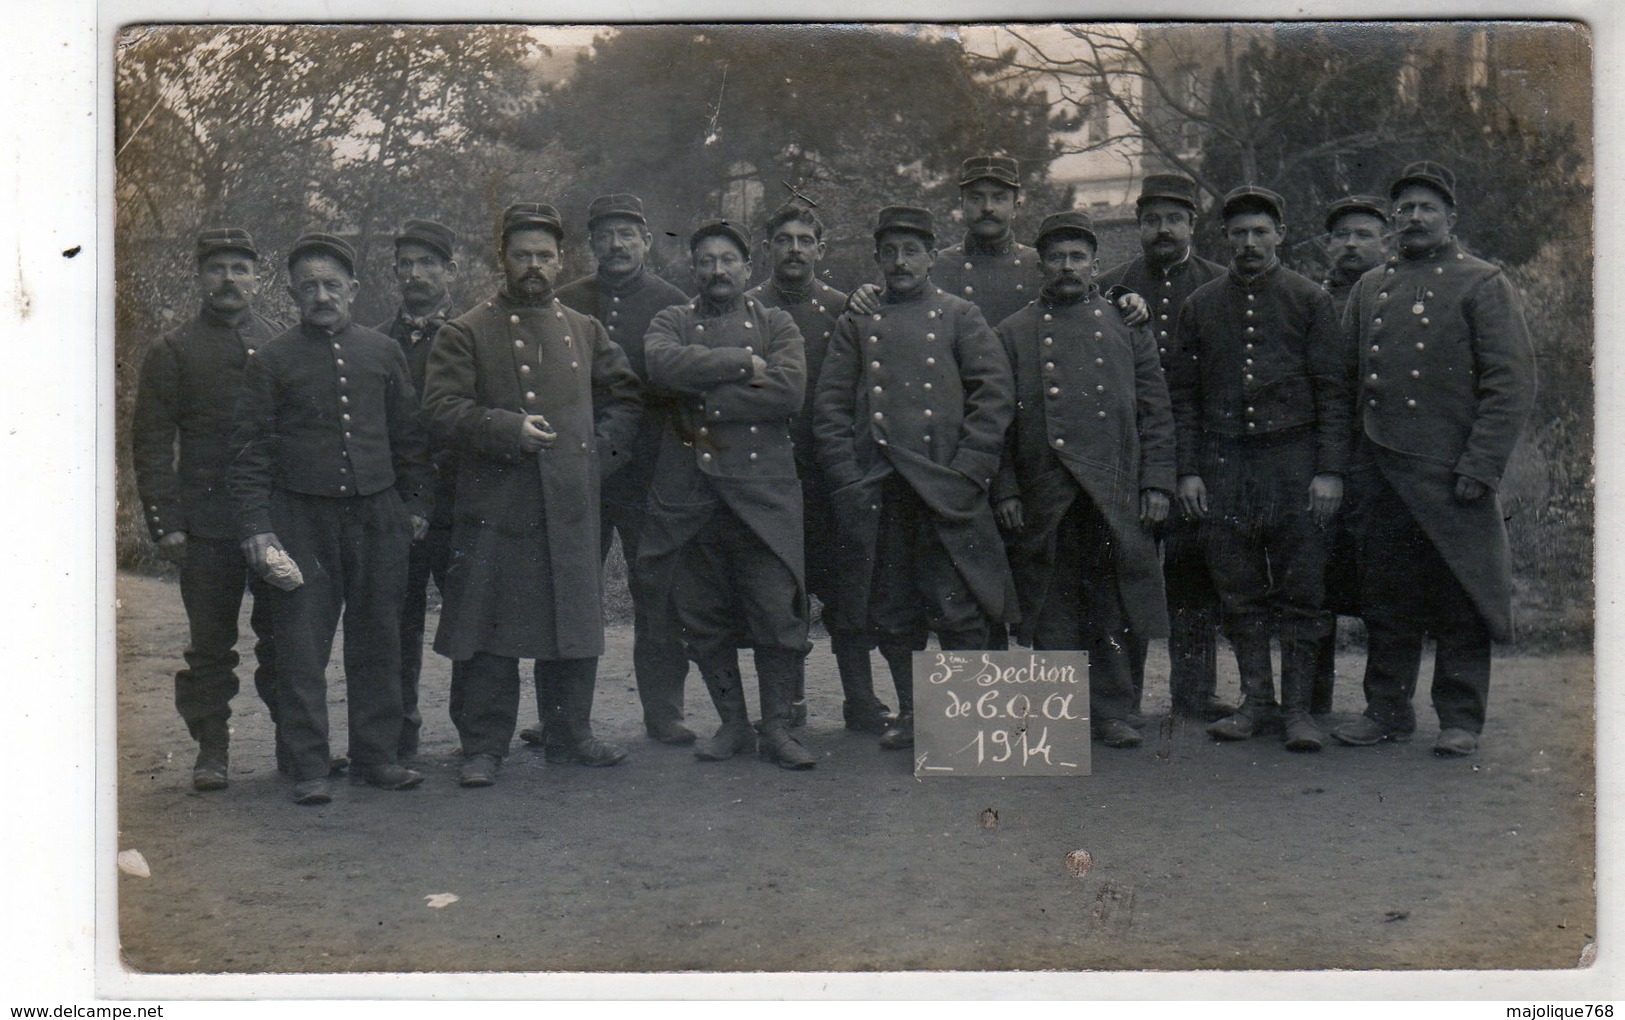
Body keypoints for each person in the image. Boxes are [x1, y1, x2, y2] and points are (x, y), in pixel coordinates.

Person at [422, 203, 642, 788]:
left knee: (570, 619)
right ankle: (483, 746)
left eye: (545, 256)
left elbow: (626, 400)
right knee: (489, 628)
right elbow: (442, 409)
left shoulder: (585, 330)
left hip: (569, 502)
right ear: (503, 258)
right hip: (495, 505)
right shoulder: (465, 331)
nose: (535, 267)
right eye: (522, 255)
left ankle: (572, 735)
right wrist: (504, 428)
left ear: (561, 259)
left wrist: (597, 456)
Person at [1330, 162, 1536, 757]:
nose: (1414, 218)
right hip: (1381, 472)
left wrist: (1481, 465)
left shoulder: (1483, 282)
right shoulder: (1373, 286)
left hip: (1452, 475)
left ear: (1451, 217)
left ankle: (1461, 718)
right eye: (1405, 209)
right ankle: (1386, 711)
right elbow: (1346, 385)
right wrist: (1347, 467)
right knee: (1386, 600)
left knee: (1460, 599)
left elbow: (1510, 384)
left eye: (1426, 207)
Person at [229, 231, 433, 804]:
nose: (322, 295)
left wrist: (415, 507)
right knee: (299, 646)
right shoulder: (272, 360)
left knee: (380, 641)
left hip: (377, 517)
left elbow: (409, 439)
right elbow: (250, 454)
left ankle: (377, 757)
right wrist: (257, 527)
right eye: (309, 286)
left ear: (354, 289)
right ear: (293, 293)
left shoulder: (382, 351)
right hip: (300, 520)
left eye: (332, 284)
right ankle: (308, 764)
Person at [814, 205, 1017, 752]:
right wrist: (847, 477)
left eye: (911, 252)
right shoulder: (857, 322)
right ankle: (913, 713)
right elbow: (831, 406)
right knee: (893, 610)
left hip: (945, 488)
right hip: (881, 487)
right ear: (877, 258)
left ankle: (967, 720)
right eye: (889, 252)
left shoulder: (960, 315)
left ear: (931, 257)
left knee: (959, 606)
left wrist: (971, 468)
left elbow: (993, 396)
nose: (900, 262)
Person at [1167, 186, 1352, 751]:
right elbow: (1185, 398)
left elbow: (1333, 394)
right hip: (1224, 467)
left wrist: (1329, 471)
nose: (1248, 243)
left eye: (1259, 232)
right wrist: (1189, 471)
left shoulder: (1309, 300)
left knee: (1303, 590)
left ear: (1280, 235)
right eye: (1238, 233)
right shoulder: (1200, 304)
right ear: (1224, 238)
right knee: (1237, 590)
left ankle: (1298, 712)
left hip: (1294, 465)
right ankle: (1256, 703)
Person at [992, 211, 1176, 749]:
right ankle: (1062, 714)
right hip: (1045, 488)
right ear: (1040, 265)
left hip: (1113, 488)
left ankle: (1115, 710)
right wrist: (1004, 488)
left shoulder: (1126, 323)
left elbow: (1155, 410)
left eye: (1077, 257)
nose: (1067, 267)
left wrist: (1156, 483)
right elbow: (999, 423)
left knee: (1113, 603)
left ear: (1094, 263)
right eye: (1056, 257)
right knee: (1052, 603)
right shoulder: (1014, 331)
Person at [637, 221, 815, 768]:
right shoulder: (671, 319)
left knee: (774, 611)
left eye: (728, 260)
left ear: (747, 267)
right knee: (702, 614)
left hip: (763, 494)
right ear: (693, 270)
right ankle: (733, 724)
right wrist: (743, 364)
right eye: (706, 261)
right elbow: (662, 365)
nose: (717, 271)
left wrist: (699, 399)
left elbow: (788, 390)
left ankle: (778, 729)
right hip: (691, 495)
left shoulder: (776, 321)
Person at [527, 193, 696, 747]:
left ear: (647, 241)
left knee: (659, 592)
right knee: (568, 589)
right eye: (605, 235)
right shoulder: (564, 302)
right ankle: (560, 716)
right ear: (591, 244)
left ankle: (664, 711)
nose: (617, 245)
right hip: (579, 472)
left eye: (628, 234)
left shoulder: (675, 304)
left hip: (652, 474)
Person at [132, 227, 283, 791]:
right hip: (207, 526)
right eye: (217, 269)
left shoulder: (281, 341)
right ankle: (212, 752)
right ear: (200, 277)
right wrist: (166, 523)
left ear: (257, 278)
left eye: (240, 269)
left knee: (286, 637)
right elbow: (150, 442)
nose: (228, 280)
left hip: (273, 524)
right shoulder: (172, 350)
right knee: (211, 645)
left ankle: (294, 744)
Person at [746, 198, 893, 734]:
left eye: (805, 241)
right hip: (769, 474)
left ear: (821, 250)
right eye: (784, 240)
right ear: (767, 248)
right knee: (782, 594)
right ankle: (790, 702)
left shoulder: (845, 308)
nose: (794, 250)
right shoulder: (748, 309)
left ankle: (860, 698)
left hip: (833, 471)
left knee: (849, 590)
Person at [1098, 171, 1231, 723]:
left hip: (1196, 451)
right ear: (1138, 225)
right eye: (1152, 220)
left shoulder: (1220, 284)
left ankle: (1194, 694)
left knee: (1193, 575)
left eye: (1174, 219)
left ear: (1193, 224)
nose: (1163, 230)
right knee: (1126, 572)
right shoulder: (1108, 286)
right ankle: (1121, 696)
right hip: (1129, 453)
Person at [372, 218, 460, 762]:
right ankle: (398, 737)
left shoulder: (475, 334)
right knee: (393, 623)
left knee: (470, 622)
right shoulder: (375, 342)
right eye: (405, 264)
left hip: (460, 504)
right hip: (397, 508)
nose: (415, 274)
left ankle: (476, 735)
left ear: (451, 270)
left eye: (427, 263)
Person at [1310, 195, 1391, 715]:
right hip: (1318, 463)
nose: (1352, 244)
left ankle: (1382, 705)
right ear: (1326, 245)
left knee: (1382, 587)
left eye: (1364, 234)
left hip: (1381, 464)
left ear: (1384, 242)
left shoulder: (1395, 300)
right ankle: (1311, 700)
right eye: (1342, 235)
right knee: (1313, 584)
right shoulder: (1308, 300)